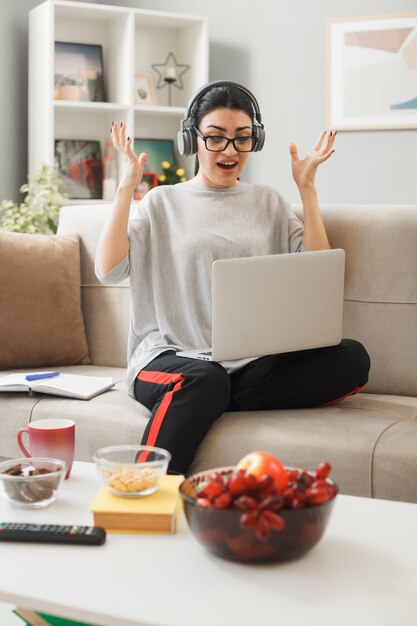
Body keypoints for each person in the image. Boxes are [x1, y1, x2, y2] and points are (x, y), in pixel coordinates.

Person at [95, 81, 370, 474]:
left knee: (352, 358)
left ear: (254, 141)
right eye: (215, 138)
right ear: (192, 141)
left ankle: (213, 396)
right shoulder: (162, 202)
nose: (229, 151)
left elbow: (317, 274)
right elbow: (108, 270)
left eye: (241, 139)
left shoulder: (269, 202)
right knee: (203, 378)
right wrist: (126, 186)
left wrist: (306, 189)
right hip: (172, 359)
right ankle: (144, 487)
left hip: (248, 366)